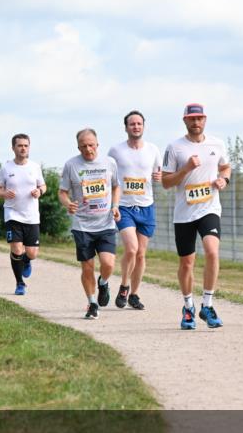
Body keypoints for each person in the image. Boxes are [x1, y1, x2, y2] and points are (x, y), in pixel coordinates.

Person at [161, 103, 231, 330]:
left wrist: (224, 179)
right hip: (184, 213)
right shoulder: (174, 148)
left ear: (205, 120)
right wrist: (186, 169)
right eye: (192, 119)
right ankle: (188, 307)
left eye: (199, 118)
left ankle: (207, 305)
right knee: (186, 263)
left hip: (209, 208)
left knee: (212, 251)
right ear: (185, 121)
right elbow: (165, 182)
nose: (196, 122)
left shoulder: (217, 144)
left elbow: (226, 167)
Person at [59, 128, 121, 320]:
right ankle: (92, 303)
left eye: (91, 145)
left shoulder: (109, 163)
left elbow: (116, 186)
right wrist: (68, 204)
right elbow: (62, 192)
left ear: (97, 145)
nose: (88, 149)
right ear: (78, 147)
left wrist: (115, 206)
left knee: (108, 264)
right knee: (87, 267)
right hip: (82, 225)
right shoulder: (71, 165)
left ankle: (103, 282)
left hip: (106, 223)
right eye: (83, 146)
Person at [108, 110, 161, 310]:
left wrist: (160, 177)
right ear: (126, 127)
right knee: (132, 249)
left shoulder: (153, 150)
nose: (136, 127)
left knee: (141, 254)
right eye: (132, 124)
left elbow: (159, 174)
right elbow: (108, 175)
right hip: (124, 206)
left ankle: (134, 294)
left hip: (146, 205)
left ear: (143, 126)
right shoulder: (116, 151)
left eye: (139, 123)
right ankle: (124, 286)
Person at [0, 134, 47, 295]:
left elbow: (43, 186)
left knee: (32, 253)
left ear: (29, 147)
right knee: (17, 249)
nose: (23, 148)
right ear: (13, 148)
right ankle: (20, 284)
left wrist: (39, 191)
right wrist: (3, 193)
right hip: (12, 214)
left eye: (26, 145)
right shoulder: (6, 168)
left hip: (31, 216)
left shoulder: (35, 167)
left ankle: (27, 260)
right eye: (20, 145)